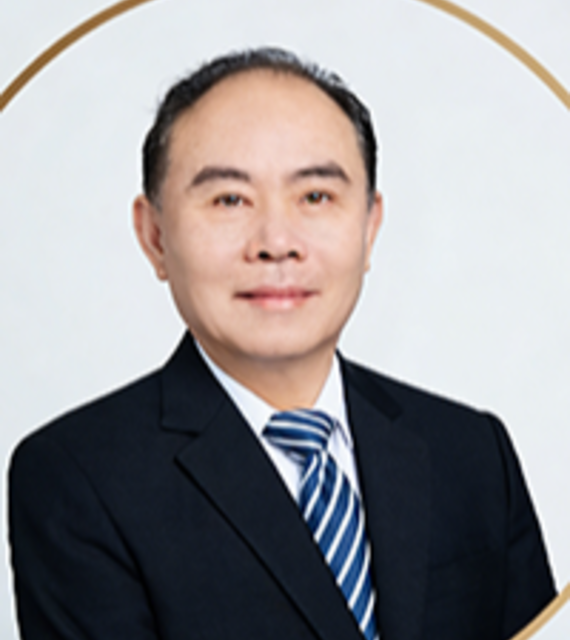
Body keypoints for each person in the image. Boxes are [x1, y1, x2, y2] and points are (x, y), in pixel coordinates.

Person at [9, 47, 555, 640]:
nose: (276, 242)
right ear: (155, 236)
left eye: (316, 196)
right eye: (229, 200)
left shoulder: (472, 452)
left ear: (369, 228)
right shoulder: (77, 479)